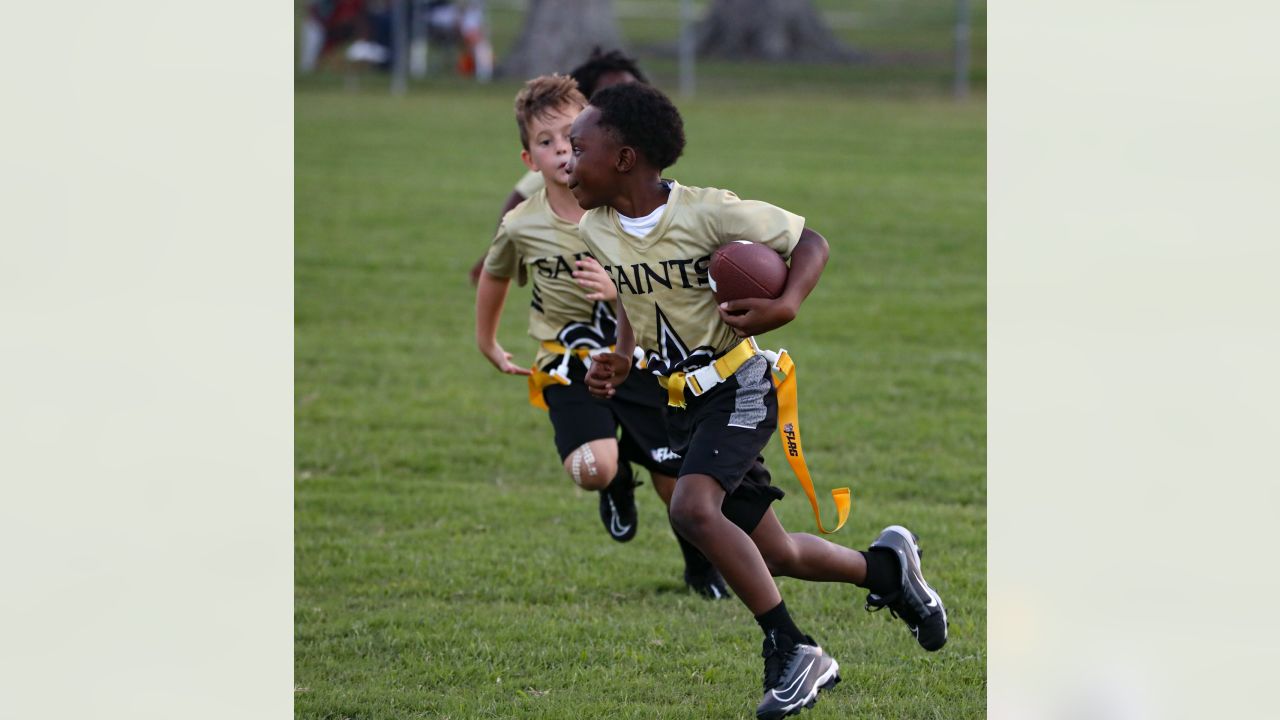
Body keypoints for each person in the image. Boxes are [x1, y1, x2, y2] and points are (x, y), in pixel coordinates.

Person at [567, 83, 949, 719]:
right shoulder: (596, 229)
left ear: (626, 158)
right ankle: (887, 570)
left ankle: (793, 649)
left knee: (691, 510)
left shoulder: (708, 213)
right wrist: (623, 357)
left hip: (740, 385)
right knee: (775, 553)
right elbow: (639, 305)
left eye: (579, 149)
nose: (567, 163)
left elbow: (812, 242)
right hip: (682, 402)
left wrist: (786, 301)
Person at [474, 75, 730, 599]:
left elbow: (659, 284)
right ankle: (613, 481)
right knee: (593, 467)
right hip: (568, 363)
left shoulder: (626, 212)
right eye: (546, 142)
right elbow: (495, 274)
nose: (563, 150)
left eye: (572, 136)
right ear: (529, 160)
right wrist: (488, 340)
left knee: (673, 479)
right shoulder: (522, 224)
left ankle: (701, 568)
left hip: (637, 359)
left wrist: (616, 289)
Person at [468, 48, 649, 286]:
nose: (622, 102)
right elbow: (519, 195)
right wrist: (494, 250)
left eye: (630, 92)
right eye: (610, 95)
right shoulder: (567, 161)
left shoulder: (642, 154)